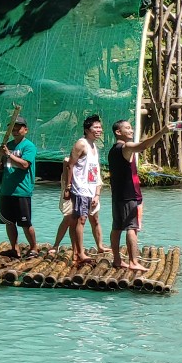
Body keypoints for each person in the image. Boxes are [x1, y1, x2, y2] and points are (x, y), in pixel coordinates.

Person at [106, 119, 147, 271]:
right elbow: (144, 146)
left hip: (117, 195)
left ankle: (117, 260)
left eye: (131, 128)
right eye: (128, 128)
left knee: (116, 227)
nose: (131, 131)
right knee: (132, 228)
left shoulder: (112, 150)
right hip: (129, 195)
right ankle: (134, 262)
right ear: (118, 132)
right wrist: (162, 132)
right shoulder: (125, 146)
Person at [0, 118, 38, 254]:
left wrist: (8, 154)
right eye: (13, 129)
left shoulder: (28, 146)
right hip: (7, 189)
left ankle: (33, 248)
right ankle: (14, 248)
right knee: (9, 221)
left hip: (21, 190)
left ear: (25, 130)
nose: (15, 131)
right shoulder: (8, 145)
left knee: (25, 222)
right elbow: (5, 166)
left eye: (18, 128)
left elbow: (24, 165)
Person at [66, 113, 104, 265]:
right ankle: (80, 253)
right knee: (80, 220)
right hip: (80, 188)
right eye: (96, 127)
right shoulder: (81, 144)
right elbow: (70, 164)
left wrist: (97, 193)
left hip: (90, 189)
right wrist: (68, 187)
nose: (99, 130)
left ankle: (78, 251)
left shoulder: (94, 146)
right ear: (87, 129)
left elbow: (94, 171)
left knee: (88, 219)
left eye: (100, 127)